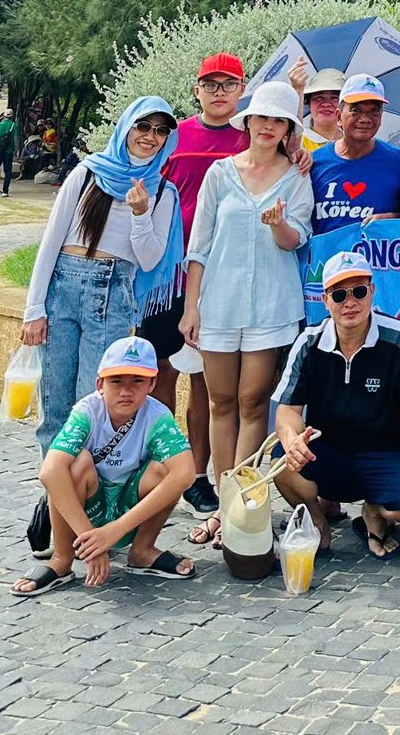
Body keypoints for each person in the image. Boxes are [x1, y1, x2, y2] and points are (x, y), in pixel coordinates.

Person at [180, 81, 313, 544]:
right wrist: (191, 306)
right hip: (219, 301)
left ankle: (243, 505)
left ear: (287, 129)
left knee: (253, 402)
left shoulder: (297, 177)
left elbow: (296, 239)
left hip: (270, 305)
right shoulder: (220, 174)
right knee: (220, 403)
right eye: (263, 118)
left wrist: (279, 226)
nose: (269, 126)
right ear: (249, 121)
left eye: (279, 121)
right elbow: (199, 246)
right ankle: (223, 507)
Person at [22, 98, 184, 452]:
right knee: (55, 402)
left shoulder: (162, 192)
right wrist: (34, 309)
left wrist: (141, 214)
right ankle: (54, 484)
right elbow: (51, 241)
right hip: (63, 286)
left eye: (161, 130)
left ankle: (87, 483)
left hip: (113, 294)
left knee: (94, 403)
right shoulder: (87, 173)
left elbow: (149, 260)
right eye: (144, 126)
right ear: (126, 127)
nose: (151, 136)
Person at [139, 51, 252, 516]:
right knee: (161, 372)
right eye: (211, 84)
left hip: (220, 275)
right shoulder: (173, 137)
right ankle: (163, 467)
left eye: (228, 84)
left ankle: (199, 475)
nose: (219, 92)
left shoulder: (251, 137)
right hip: (167, 276)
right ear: (197, 90)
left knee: (207, 380)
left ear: (242, 89)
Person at [273, 250, 400, 559]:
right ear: (325, 300)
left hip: (385, 453)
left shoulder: (399, 338)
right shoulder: (308, 342)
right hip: (328, 452)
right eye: (339, 294)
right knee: (283, 460)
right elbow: (287, 409)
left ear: (372, 291)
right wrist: (292, 440)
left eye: (359, 291)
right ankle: (317, 524)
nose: (350, 302)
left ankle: (374, 511)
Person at [12, 337, 196, 596]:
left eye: (138, 381)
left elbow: (185, 473)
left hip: (130, 505)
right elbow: (50, 471)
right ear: (100, 384)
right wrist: (92, 541)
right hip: (89, 504)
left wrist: (114, 531)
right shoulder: (87, 411)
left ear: (152, 384)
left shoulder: (158, 416)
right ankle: (62, 559)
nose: (126, 391)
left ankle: (142, 551)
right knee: (75, 463)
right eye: (116, 381)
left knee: (168, 469)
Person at [310, 74, 400, 234]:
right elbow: (300, 223)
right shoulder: (314, 163)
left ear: (381, 117)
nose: (365, 119)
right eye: (356, 111)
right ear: (339, 117)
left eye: (374, 112)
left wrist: (393, 218)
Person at [297, 67, 345, 151]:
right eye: (319, 98)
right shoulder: (296, 142)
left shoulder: (357, 141)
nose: (326, 104)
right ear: (309, 104)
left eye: (334, 98)